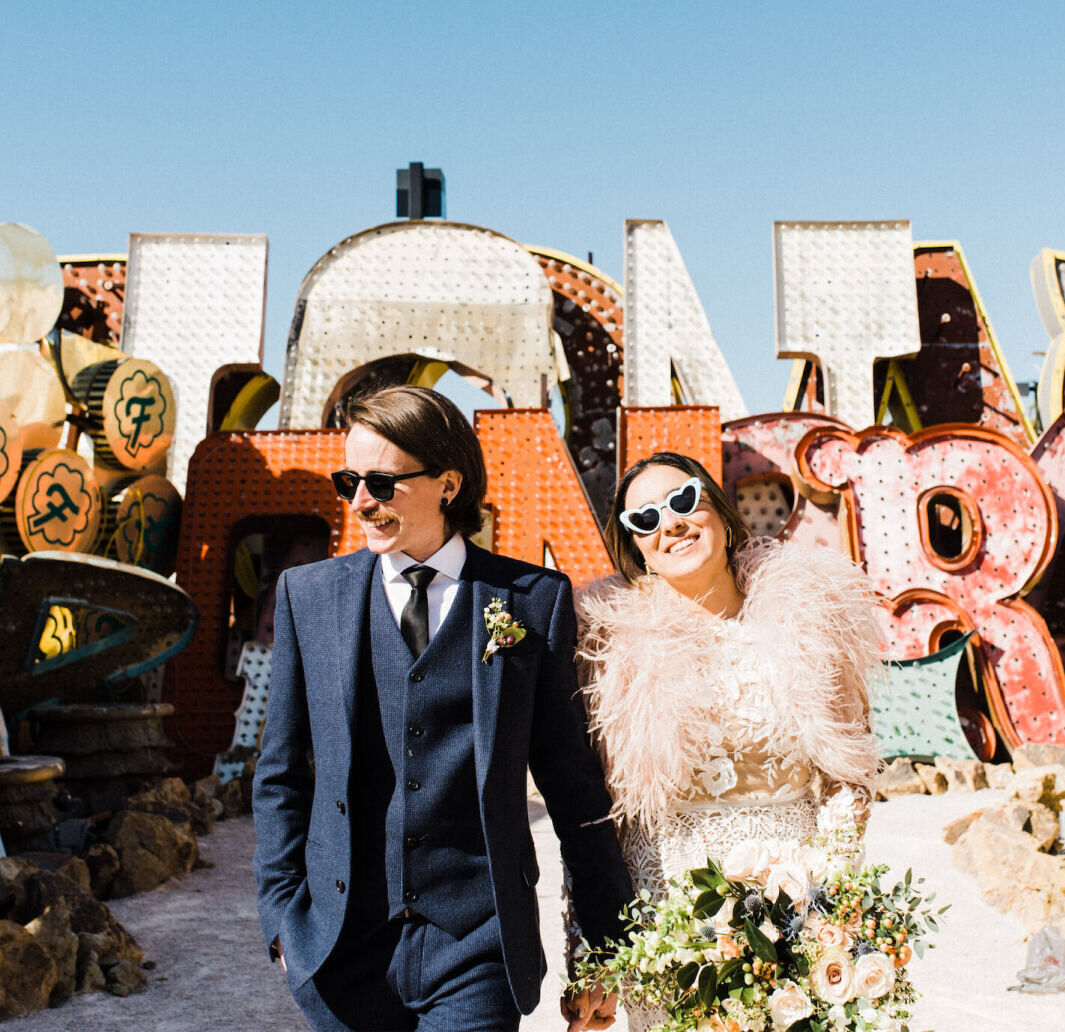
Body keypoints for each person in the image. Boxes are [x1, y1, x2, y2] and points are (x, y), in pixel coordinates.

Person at [253, 385, 632, 1032]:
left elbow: (573, 788)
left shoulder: (533, 601)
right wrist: (284, 923)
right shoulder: (308, 597)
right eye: (350, 480)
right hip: (343, 951)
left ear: (448, 484)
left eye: (382, 482)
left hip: (476, 947)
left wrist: (605, 945)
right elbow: (280, 775)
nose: (360, 501)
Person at [574, 452, 881, 1032]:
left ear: (717, 506)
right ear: (633, 545)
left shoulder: (809, 621)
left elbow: (850, 773)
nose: (671, 524)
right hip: (665, 915)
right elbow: (591, 811)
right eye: (645, 519)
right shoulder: (609, 647)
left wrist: (822, 894)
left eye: (684, 501)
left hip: (796, 901)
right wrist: (593, 953)